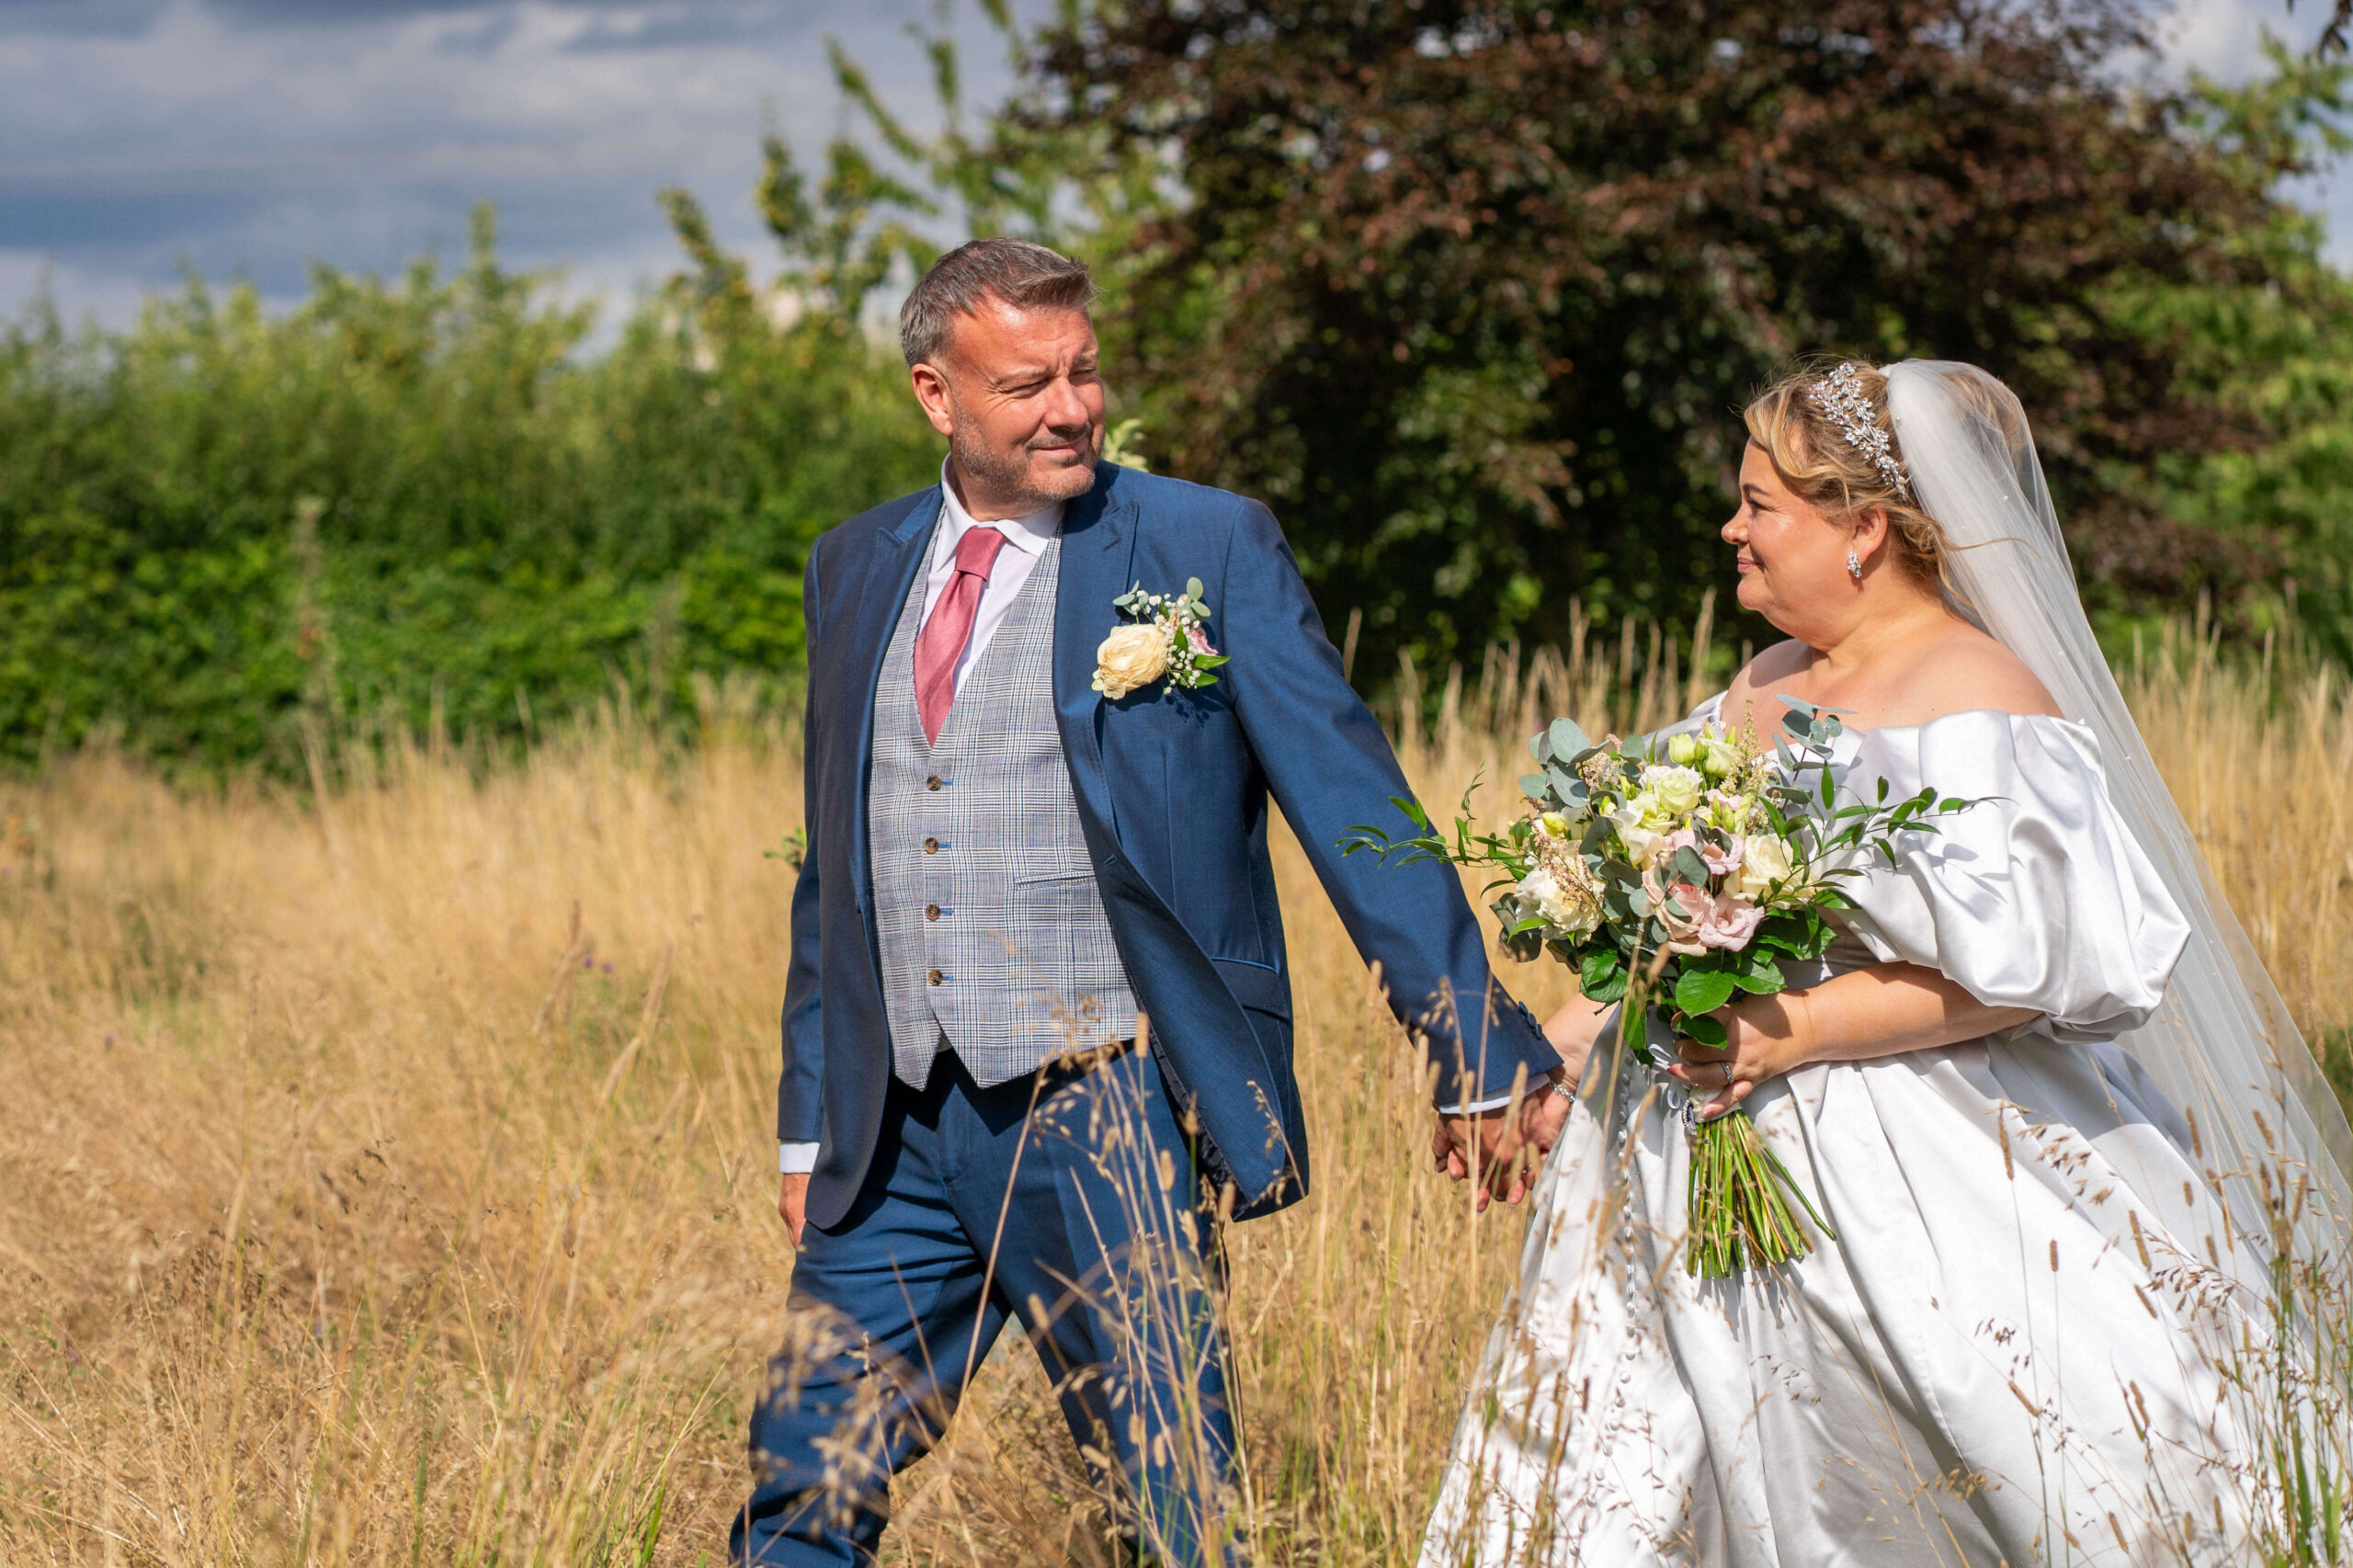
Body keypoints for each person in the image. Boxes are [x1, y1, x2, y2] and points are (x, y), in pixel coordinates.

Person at [1419, 359, 2353, 1566]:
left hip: (1940, 1161)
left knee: (1987, 1466)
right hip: (1701, 1152)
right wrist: (1549, 1045)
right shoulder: (1764, 684)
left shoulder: (1977, 694)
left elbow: (2025, 969)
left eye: (1761, 504)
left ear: (1863, 529)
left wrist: (1796, 1032)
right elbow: (1672, 926)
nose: (1731, 528)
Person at [732, 236, 1564, 1566]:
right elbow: (843, 859)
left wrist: (1466, 1033)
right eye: (1026, 384)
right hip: (889, 1131)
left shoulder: (1198, 541)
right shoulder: (855, 563)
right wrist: (803, 1119)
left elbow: (1354, 802)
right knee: (803, 1493)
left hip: (1104, 1105)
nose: (1072, 407)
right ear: (934, 394)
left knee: (1175, 1506)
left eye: (1085, 371)